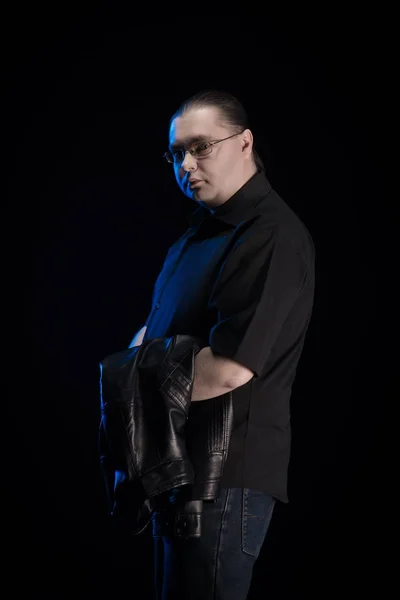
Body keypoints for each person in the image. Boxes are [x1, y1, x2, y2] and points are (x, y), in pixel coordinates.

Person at [129, 90, 316, 600]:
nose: (186, 164)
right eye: (176, 154)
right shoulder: (194, 239)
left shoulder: (271, 235)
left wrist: (129, 384)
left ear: (245, 142)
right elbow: (151, 335)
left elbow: (230, 367)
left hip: (225, 479)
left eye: (201, 147)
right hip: (175, 471)